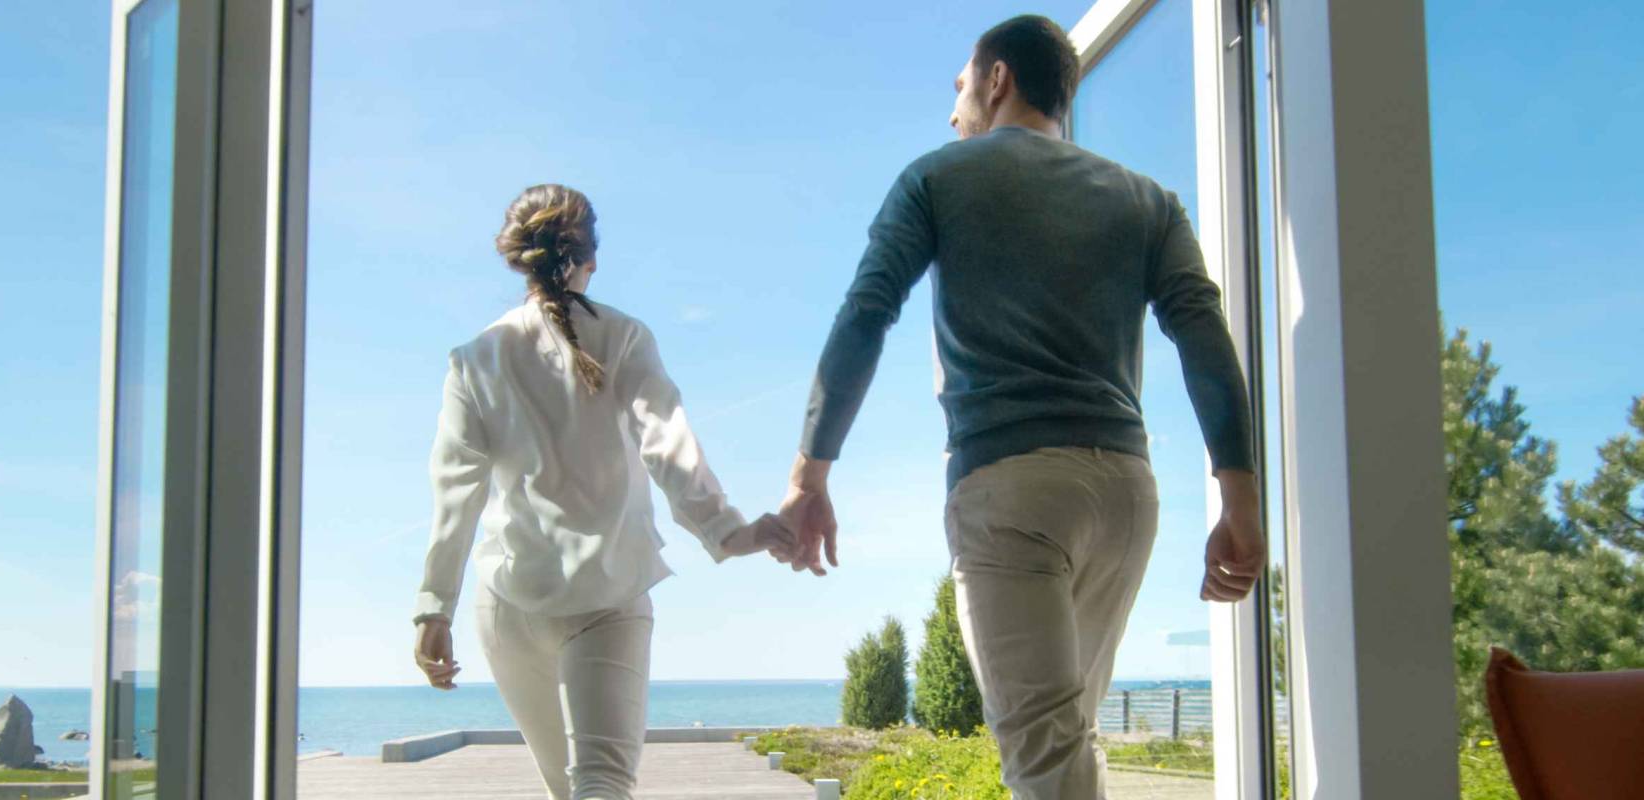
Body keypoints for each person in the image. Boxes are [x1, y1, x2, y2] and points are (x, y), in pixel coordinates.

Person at [776, 15, 1267, 799]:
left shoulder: (936, 177)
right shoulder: (1150, 201)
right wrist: (1240, 500)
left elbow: (866, 314)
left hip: (1012, 491)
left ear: (997, 79)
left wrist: (810, 475)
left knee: (1047, 768)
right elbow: (1202, 334)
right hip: (1126, 498)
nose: (953, 113)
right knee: (1070, 745)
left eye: (960, 88)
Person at [412, 184, 795, 800]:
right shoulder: (623, 336)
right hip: (607, 599)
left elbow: (455, 495)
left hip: (507, 608)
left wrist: (434, 608)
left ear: (518, 259)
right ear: (590, 256)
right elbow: (666, 444)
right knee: (600, 787)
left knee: (572, 792)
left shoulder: (474, 358)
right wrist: (728, 532)